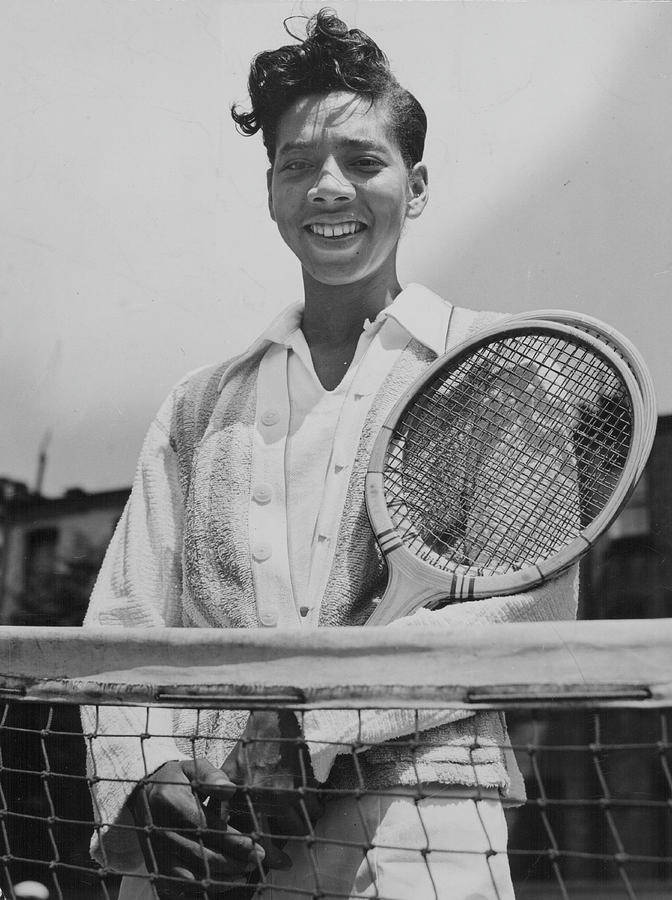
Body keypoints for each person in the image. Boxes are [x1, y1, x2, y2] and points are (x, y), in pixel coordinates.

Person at [82, 9, 577, 900]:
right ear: (271, 190)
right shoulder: (199, 406)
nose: (328, 186)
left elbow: (528, 608)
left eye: (363, 159)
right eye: (298, 164)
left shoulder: (498, 374)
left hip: (427, 825)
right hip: (215, 839)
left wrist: (313, 716)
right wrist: (147, 776)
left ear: (415, 186)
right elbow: (123, 621)